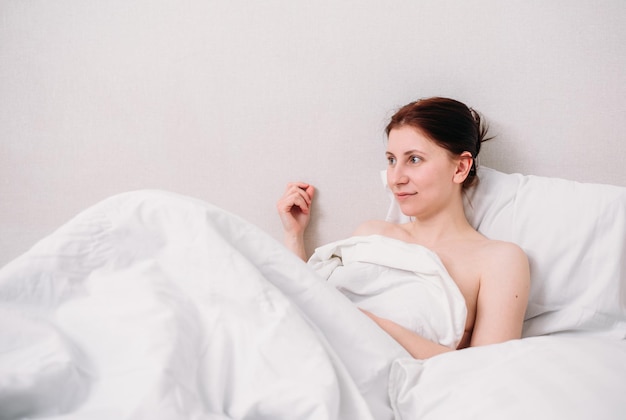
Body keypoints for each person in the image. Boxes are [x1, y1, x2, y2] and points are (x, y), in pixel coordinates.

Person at [276, 97, 530, 359]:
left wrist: (361, 322)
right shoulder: (371, 235)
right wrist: (293, 235)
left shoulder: (498, 260)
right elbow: (308, 303)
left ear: (461, 167)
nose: (396, 178)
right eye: (391, 160)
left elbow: (488, 368)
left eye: (415, 160)